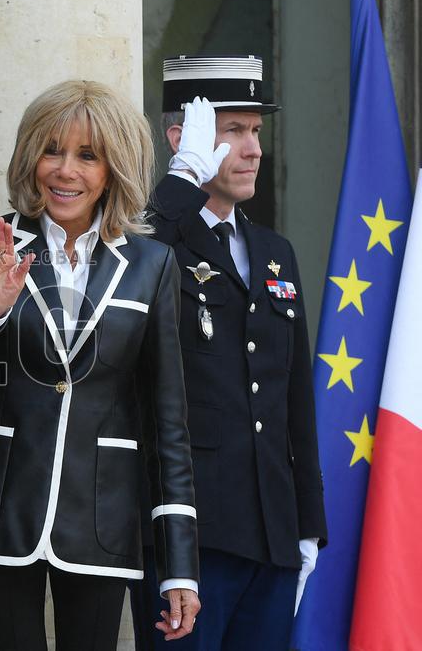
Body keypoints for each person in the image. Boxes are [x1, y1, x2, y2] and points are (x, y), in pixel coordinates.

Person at [0, 80, 200, 651]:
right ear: (31, 156)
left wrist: (179, 562)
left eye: (87, 155)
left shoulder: (152, 265)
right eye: (52, 150)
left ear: (114, 169)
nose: (64, 171)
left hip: (103, 514)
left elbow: (168, 423)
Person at [131, 55, 328, 650]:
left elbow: (294, 393)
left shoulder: (274, 251)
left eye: (258, 132)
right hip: (193, 535)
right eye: (233, 131)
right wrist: (181, 184)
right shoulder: (154, 240)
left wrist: (308, 526)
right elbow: (127, 283)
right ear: (183, 139)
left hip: (272, 529)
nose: (253, 150)